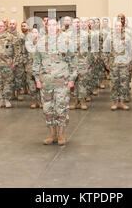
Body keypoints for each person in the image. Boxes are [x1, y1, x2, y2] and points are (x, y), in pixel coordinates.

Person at [33, 18, 77, 146]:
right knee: (47, 109)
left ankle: (61, 134)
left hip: (62, 81)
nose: (51, 27)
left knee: (61, 109)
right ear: (46, 26)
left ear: (58, 25)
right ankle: (52, 134)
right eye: (49, 25)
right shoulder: (41, 42)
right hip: (46, 82)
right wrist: (37, 79)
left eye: (54, 24)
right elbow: (36, 62)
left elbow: (73, 61)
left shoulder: (66, 40)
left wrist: (72, 78)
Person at [104, 17, 132, 111]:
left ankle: (122, 102)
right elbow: (105, 50)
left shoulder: (128, 36)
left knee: (124, 84)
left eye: (119, 26)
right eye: (116, 26)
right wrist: (106, 63)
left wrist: (131, 63)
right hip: (113, 64)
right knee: (114, 84)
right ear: (114, 27)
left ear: (122, 27)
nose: (118, 27)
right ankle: (115, 102)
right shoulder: (109, 37)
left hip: (124, 65)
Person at [0, 21, 20, 108]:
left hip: (8, 64)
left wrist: (14, 63)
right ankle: (1, 100)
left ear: (5, 27)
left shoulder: (11, 37)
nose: (0, 27)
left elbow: (17, 52)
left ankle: (7, 99)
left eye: (2, 26)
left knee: (7, 83)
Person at [69, 18, 92, 111]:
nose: (77, 24)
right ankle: (74, 101)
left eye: (78, 22)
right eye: (75, 22)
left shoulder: (86, 35)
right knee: (73, 83)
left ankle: (82, 101)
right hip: (72, 63)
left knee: (82, 82)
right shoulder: (67, 35)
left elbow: (91, 50)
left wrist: (88, 62)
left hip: (83, 62)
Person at [117, 13, 132, 102]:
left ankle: (125, 95)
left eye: (122, 19)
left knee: (126, 79)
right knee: (116, 79)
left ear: (124, 20)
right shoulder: (113, 32)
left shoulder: (131, 32)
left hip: (127, 60)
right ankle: (117, 95)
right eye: (118, 19)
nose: (120, 21)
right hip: (116, 61)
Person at [25, 28, 42, 108]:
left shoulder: (42, 43)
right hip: (30, 67)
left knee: (40, 85)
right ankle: (34, 101)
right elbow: (26, 54)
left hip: (40, 68)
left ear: (38, 33)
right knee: (31, 85)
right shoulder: (28, 43)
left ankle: (41, 101)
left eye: (36, 32)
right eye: (32, 32)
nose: (34, 34)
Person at [9, 19, 24, 101]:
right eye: (10, 24)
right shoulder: (6, 36)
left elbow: (24, 49)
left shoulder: (21, 36)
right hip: (9, 61)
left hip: (19, 61)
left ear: (16, 25)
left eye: (13, 24)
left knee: (18, 78)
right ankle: (12, 94)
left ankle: (18, 93)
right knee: (10, 78)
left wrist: (23, 60)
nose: (11, 25)